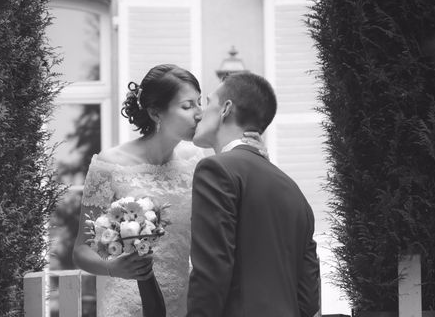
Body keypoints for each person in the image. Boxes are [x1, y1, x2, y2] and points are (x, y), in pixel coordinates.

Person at [72, 64, 264, 317]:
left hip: (185, 304)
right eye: (187, 106)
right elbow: (81, 250)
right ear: (155, 113)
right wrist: (114, 268)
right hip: (128, 306)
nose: (199, 113)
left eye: (199, 102)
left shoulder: (197, 160)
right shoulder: (109, 164)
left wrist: (254, 156)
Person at [187, 71, 320, 317]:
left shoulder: (215, 170)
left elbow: (210, 272)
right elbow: (309, 301)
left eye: (207, 103)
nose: (199, 114)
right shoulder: (294, 191)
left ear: (226, 109)